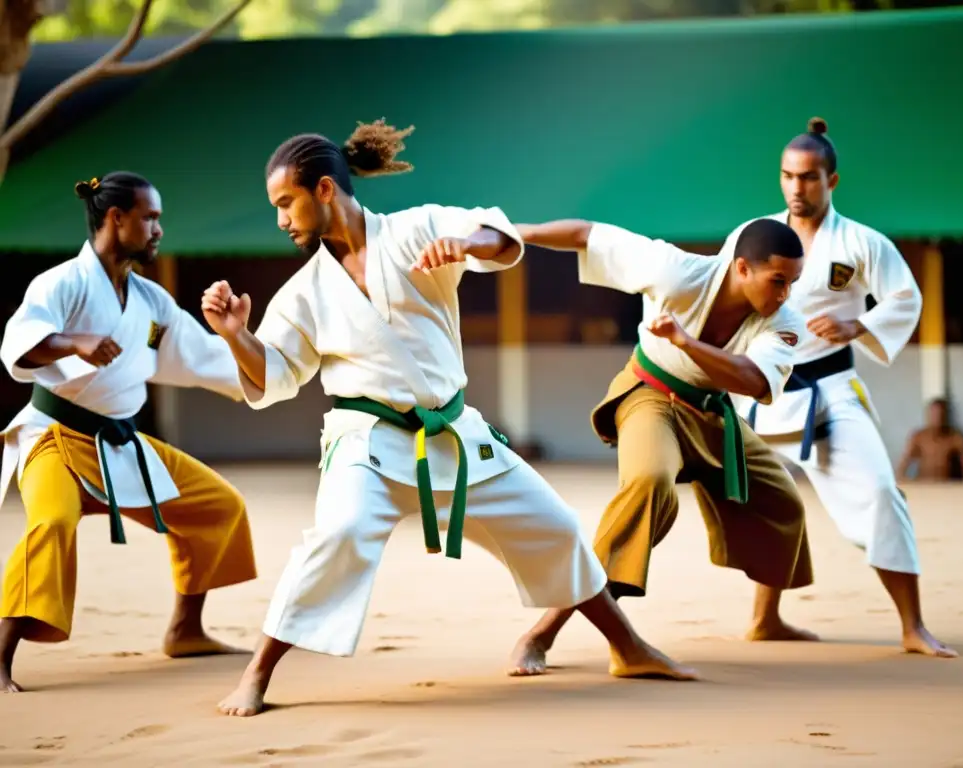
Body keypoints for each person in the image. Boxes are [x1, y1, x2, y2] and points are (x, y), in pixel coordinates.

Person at [204, 120, 696, 718]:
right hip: (367, 443)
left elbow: (497, 234)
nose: (281, 218)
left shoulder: (414, 229)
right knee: (338, 536)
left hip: (454, 434)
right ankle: (257, 675)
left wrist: (468, 247)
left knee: (556, 528)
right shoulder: (305, 292)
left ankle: (628, 646)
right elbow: (273, 375)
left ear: (325, 190)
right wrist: (237, 338)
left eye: (286, 202)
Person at [507, 216, 814, 676]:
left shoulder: (784, 321)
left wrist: (688, 343)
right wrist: (514, 234)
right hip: (651, 396)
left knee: (783, 500)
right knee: (649, 485)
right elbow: (586, 235)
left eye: (793, 283)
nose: (785, 294)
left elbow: (752, 380)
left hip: (713, 414)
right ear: (742, 269)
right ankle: (541, 634)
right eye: (777, 281)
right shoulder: (676, 271)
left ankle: (766, 621)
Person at [0, 172, 258, 693]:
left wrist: (253, 352)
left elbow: (195, 352)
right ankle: (0, 657)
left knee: (218, 506)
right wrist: (72, 342)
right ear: (116, 219)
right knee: (50, 523)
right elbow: (18, 345)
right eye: (150, 217)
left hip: (122, 444)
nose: (159, 228)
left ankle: (186, 630)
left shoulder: (150, 302)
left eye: (159, 218)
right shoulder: (62, 283)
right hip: (57, 437)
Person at [728, 117, 957, 658]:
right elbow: (720, 294)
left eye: (808, 177)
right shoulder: (756, 235)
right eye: (787, 176)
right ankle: (764, 619)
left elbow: (905, 298)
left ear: (832, 180)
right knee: (769, 505)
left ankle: (912, 626)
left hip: (829, 391)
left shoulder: (860, 242)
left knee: (880, 492)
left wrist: (860, 326)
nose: (796, 188)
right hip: (761, 392)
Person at [896, 399, 963, 482]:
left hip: (947, 486)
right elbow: (904, 461)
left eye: (940, 414)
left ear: (946, 416)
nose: (937, 418)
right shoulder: (919, 437)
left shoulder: (956, 438)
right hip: (924, 484)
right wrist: (901, 480)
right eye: (934, 414)